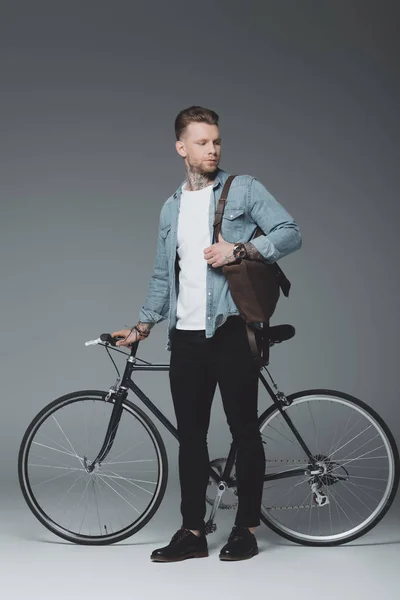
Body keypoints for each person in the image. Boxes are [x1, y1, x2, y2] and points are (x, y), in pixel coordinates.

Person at [112, 106, 302, 562]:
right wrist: (142, 325)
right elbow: (163, 275)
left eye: (216, 141)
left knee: (243, 431)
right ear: (181, 148)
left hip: (233, 330)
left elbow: (289, 232)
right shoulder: (170, 208)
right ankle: (191, 533)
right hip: (187, 337)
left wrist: (240, 247)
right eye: (202, 142)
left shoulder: (243, 189)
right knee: (191, 438)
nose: (212, 149)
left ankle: (246, 530)